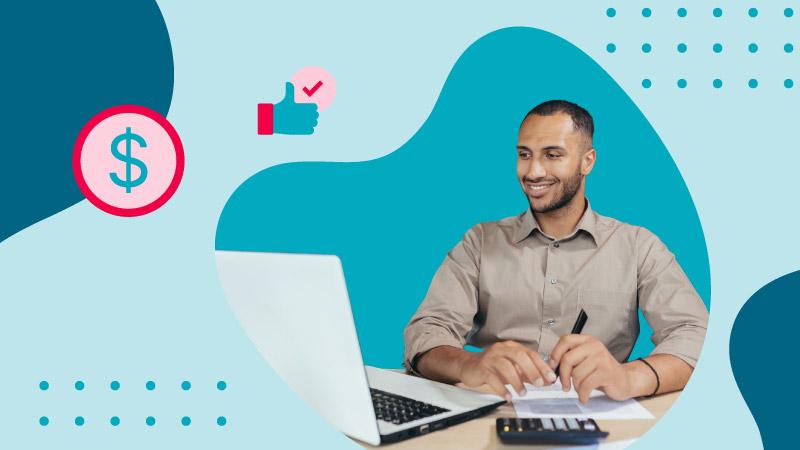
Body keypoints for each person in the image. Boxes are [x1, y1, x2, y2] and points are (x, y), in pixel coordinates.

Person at [403, 100, 709, 404]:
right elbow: (427, 331)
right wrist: (470, 364)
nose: (534, 172)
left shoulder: (638, 246)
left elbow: (696, 332)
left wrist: (629, 377)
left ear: (587, 161)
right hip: (490, 412)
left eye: (552, 155)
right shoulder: (480, 241)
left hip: (599, 419)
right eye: (525, 155)